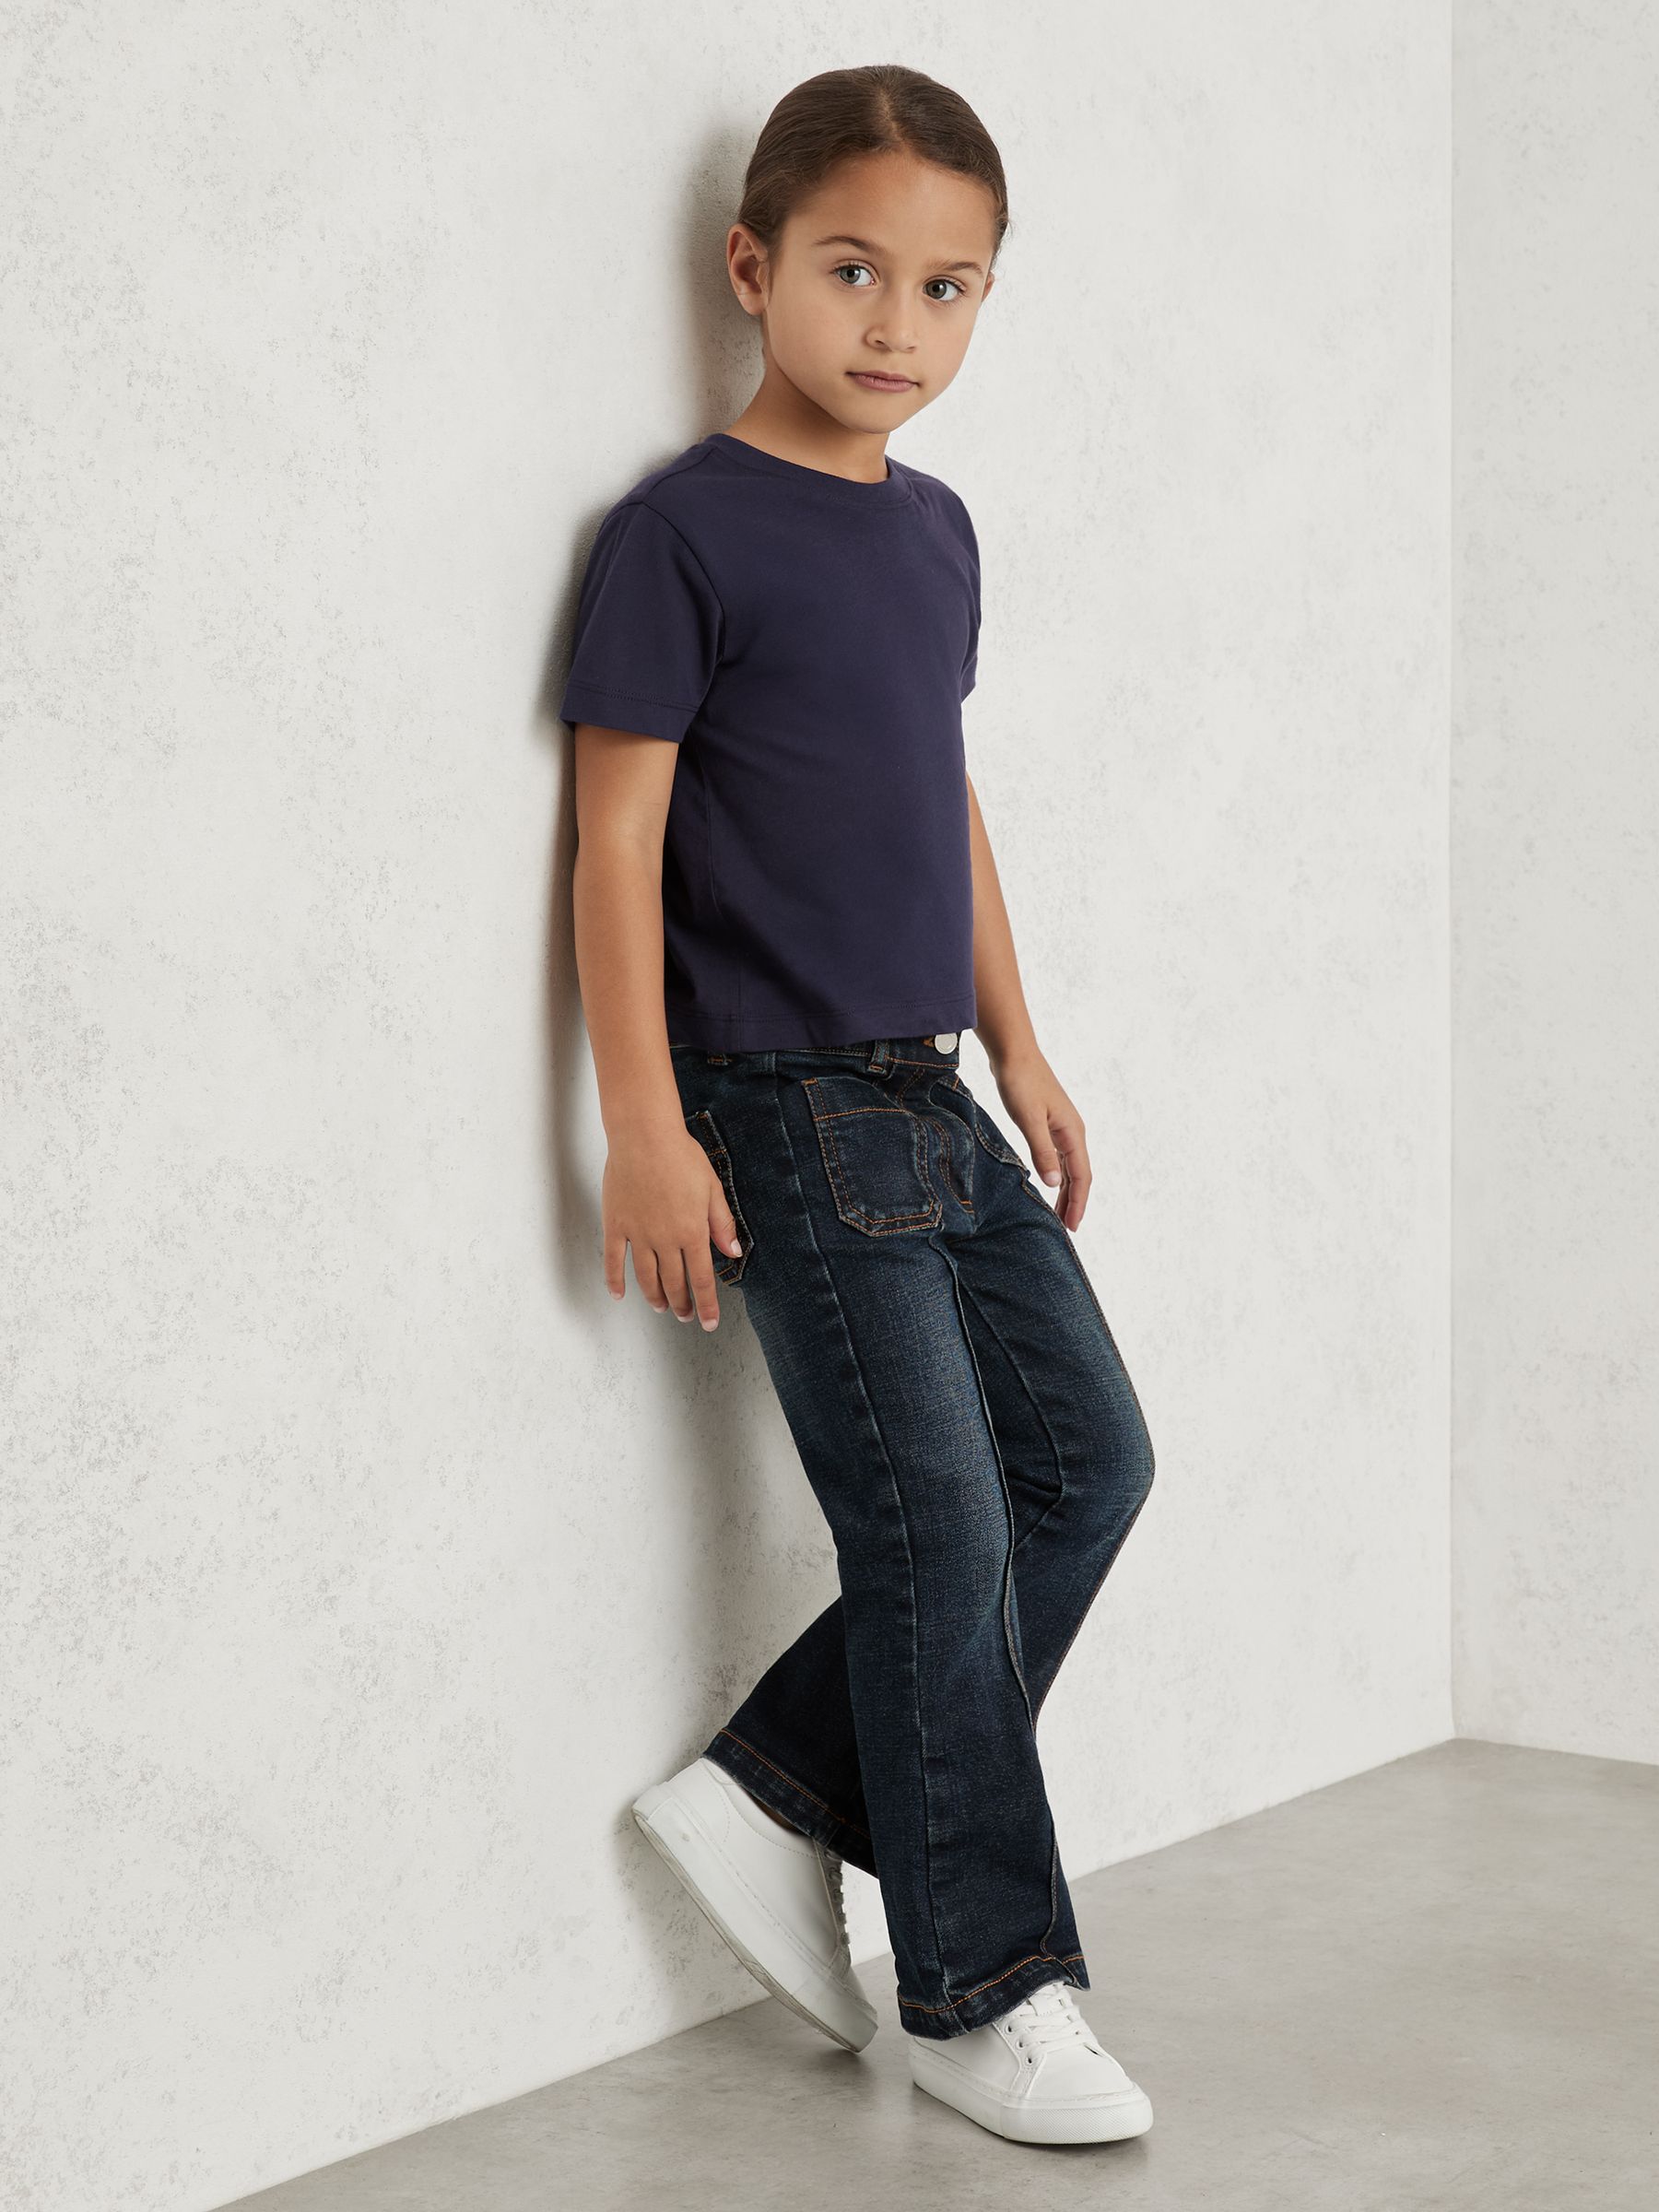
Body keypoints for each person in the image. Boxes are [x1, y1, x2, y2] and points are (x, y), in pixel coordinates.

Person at [560, 64, 1157, 2149]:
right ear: (753, 269)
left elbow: (941, 795)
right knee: (939, 1525)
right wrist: (644, 1122)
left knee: (1088, 1465)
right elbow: (614, 843)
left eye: (947, 286)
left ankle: (776, 1791)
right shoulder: (681, 534)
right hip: (779, 1102)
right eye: (852, 271)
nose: (898, 324)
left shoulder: (937, 533)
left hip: (930, 1087)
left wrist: (1023, 1039)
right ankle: (981, 1987)